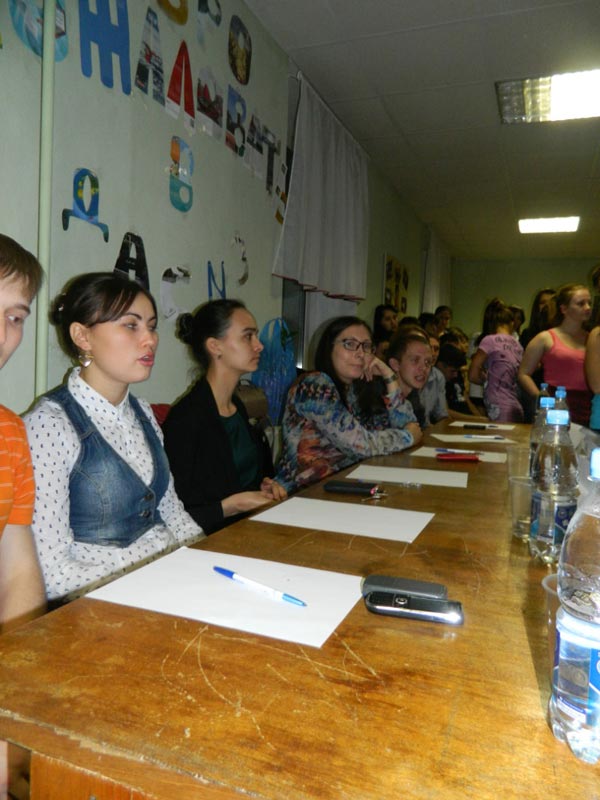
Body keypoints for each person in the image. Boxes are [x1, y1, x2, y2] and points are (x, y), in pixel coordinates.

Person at [24, 272, 204, 603]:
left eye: (152, 326)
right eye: (131, 325)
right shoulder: (49, 425)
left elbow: (173, 514)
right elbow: (51, 570)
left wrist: (206, 562)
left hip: (173, 583)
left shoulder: (142, 412)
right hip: (106, 605)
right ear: (82, 336)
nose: (150, 339)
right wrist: (149, 588)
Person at [163, 300, 286, 534]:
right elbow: (174, 515)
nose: (259, 345)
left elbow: (238, 477)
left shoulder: (237, 407)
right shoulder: (186, 420)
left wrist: (263, 485)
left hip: (247, 529)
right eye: (248, 336)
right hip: (210, 540)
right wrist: (232, 506)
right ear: (215, 346)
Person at [0, 235, 46, 800]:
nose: (1, 337)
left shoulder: (10, 434)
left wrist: (13, 700)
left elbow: (17, 571)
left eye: (14, 318)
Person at [277, 316, 421, 492]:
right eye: (350, 344)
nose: (360, 353)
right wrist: (408, 436)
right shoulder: (314, 385)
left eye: (366, 346)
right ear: (329, 348)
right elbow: (361, 444)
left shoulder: (354, 390)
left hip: (344, 486)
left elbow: (407, 425)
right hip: (302, 494)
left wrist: (389, 377)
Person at [518, 283, 592, 426]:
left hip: (587, 407)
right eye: (581, 303)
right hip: (556, 404)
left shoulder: (592, 339)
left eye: (589, 303)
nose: (588, 307)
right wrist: (541, 397)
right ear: (564, 309)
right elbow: (523, 373)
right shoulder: (545, 338)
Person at [468, 301, 524, 422]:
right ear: (512, 323)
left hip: (498, 405)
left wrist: (487, 379)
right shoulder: (518, 346)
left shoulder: (489, 340)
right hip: (516, 405)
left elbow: (472, 375)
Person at [387, 326, 436, 427]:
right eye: (415, 360)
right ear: (395, 364)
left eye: (428, 362)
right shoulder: (379, 401)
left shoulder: (413, 398)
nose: (424, 368)